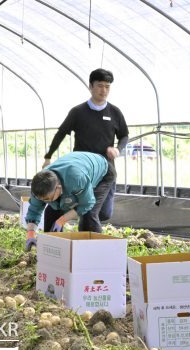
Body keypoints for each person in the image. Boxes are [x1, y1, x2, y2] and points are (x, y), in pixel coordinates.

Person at [41, 68, 128, 223]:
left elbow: (124, 135)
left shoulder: (115, 112)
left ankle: (79, 218)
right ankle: (70, 236)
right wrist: (48, 157)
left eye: (107, 87)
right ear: (90, 86)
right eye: (100, 85)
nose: (104, 90)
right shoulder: (78, 112)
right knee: (89, 212)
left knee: (104, 213)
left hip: (106, 171)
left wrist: (117, 149)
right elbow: (61, 133)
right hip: (81, 172)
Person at [24, 152, 116, 251]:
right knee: (52, 210)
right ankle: (53, 251)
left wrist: (61, 220)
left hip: (103, 173)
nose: (44, 202)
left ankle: (95, 252)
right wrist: (30, 234)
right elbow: (34, 210)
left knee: (90, 214)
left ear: (58, 188)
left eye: (47, 199)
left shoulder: (76, 178)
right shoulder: (39, 186)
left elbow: (87, 203)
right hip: (78, 169)